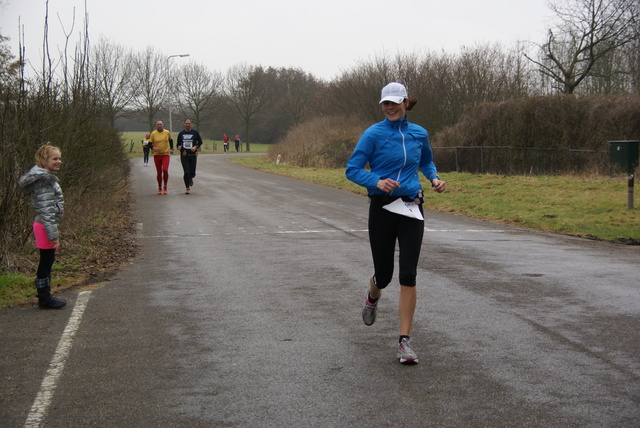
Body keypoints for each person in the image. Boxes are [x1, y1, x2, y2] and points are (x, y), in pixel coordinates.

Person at [345, 82, 446, 365]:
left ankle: (405, 342)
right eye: (385, 104)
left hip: (412, 205)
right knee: (385, 275)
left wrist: (434, 178)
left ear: (405, 103)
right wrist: (376, 180)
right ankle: (373, 293)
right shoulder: (373, 134)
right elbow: (351, 170)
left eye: (394, 103)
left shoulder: (419, 133)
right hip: (383, 207)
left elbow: (426, 161)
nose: (389, 108)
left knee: (408, 274)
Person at [18, 144, 67, 309]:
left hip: (46, 225)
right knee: (46, 262)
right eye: (55, 159)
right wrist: (53, 235)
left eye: (59, 158)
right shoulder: (43, 181)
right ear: (43, 161)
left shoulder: (46, 178)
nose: (59, 161)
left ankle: (45, 295)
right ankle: (45, 298)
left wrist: (54, 229)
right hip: (44, 225)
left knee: (48, 261)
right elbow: (47, 211)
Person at [177, 119, 203, 194]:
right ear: (184, 124)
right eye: (186, 123)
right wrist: (179, 146)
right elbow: (178, 144)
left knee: (192, 173)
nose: (188, 125)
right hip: (184, 155)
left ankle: (191, 178)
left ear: (191, 124)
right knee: (186, 172)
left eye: (189, 123)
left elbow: (200, 141)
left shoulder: (195, 132)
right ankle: (187, 187)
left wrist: (196, 147)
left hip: (193, 155)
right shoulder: (181, 133)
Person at [148, 120, 173, 194]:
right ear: (156, 125)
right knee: (159, 172)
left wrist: (171, 149)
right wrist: (153, 148)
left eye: (160, 124)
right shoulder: (153, 133)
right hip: (157, 155)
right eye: (158, 124)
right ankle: (159, 187)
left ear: (163, 125)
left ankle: (165, 186)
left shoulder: (167, 132)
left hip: (165, 155)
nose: (159, 125)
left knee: (165, 170)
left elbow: (171, 141)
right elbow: (149, 144)